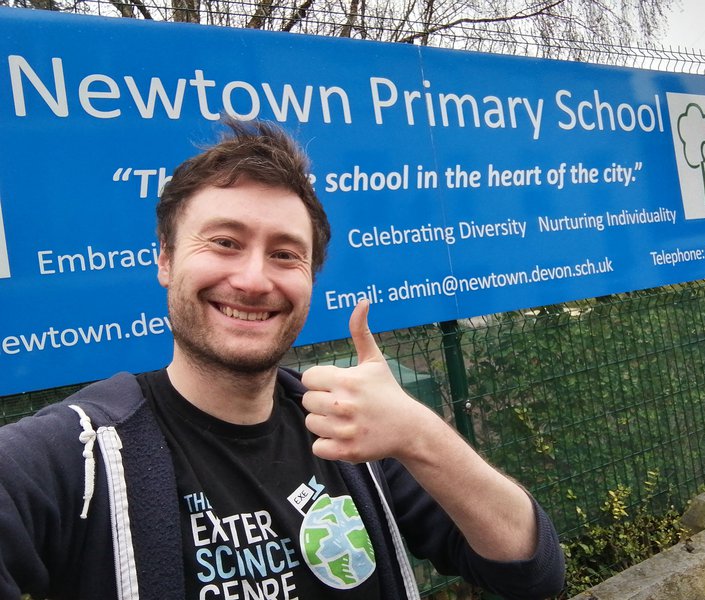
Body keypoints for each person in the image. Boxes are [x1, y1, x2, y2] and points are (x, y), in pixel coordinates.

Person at [0, 120, 565, 600]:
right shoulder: (82, 452)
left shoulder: (354, 437)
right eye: (224, 242)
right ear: (166, 262)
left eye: (285, 254)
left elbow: (531, 570)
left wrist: (419, 434)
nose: (252, 279)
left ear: (310, 279)